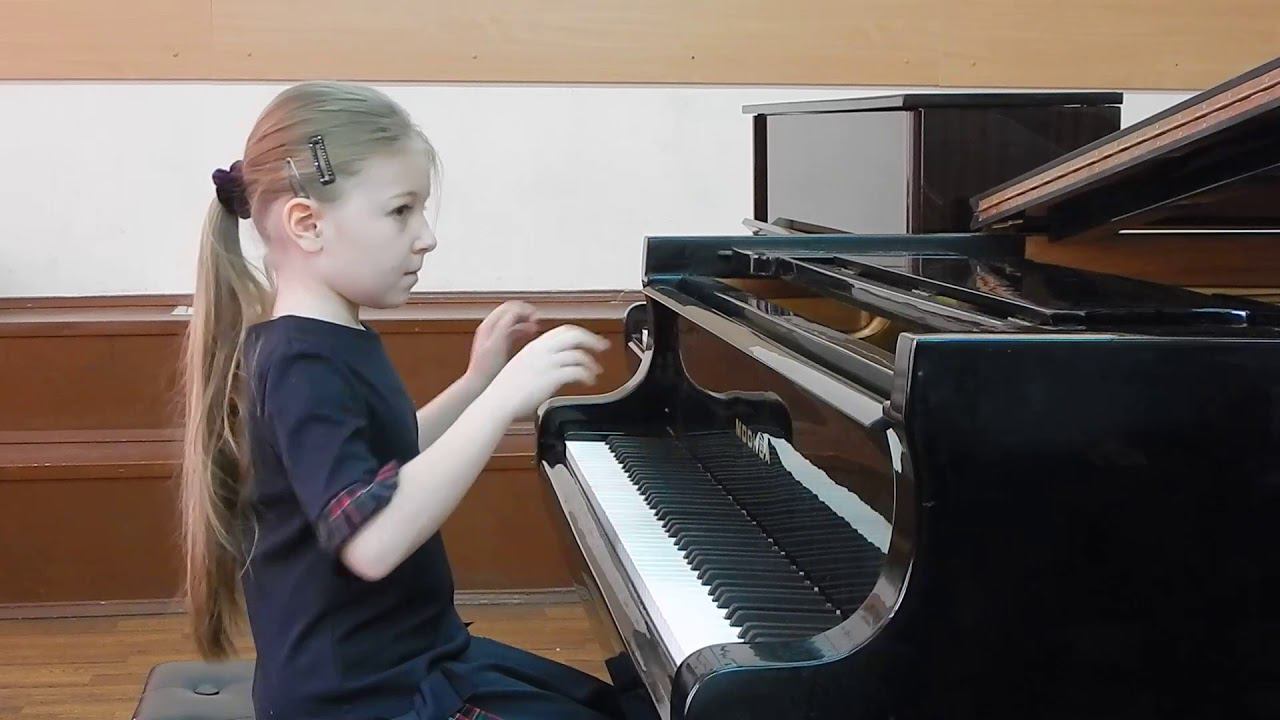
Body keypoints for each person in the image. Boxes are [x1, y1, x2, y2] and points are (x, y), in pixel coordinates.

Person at [180, 81, 621, 720]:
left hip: (413, 660)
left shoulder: (325, 340)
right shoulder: (302, 363)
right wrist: (501, 403)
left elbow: (386, 457)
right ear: (308, 224)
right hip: (366, 699)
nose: (427, 236)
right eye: (400, 211)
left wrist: (476, 383)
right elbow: (371, 542)